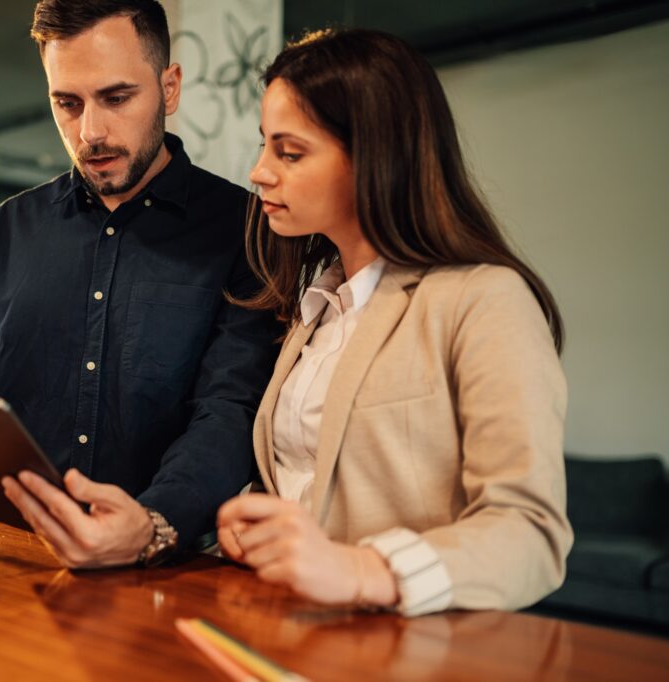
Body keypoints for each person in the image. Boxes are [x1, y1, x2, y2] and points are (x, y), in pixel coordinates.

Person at [216, 28, 573, 616]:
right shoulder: (315, 309)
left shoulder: (484, 300)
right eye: (264, 146)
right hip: (298, 636)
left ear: (375, 158)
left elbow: (530, 534)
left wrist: (362, 570)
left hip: (426, 652)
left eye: (290, 152)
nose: (258, 173)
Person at [0, 0, 280, 568]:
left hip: (169, 566)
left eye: (116, 98)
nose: (90, 131)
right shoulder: (4, 232)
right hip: (16, 556)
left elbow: (231, 410)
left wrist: (151, 524)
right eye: (68, 103)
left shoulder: (248, 230)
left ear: (170, 87)